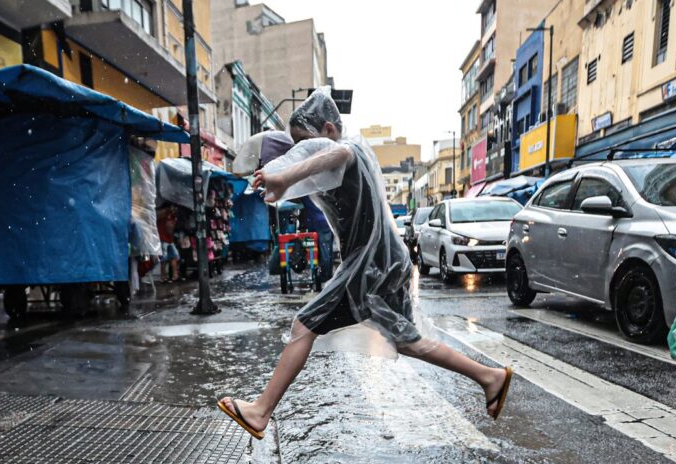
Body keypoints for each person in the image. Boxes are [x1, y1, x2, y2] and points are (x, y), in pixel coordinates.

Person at [217, 89, 513, 439]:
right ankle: (490, 377)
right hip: (381, 263)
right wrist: (281, 178)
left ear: (328, 129)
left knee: (304, 325)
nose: (303, 152)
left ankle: (260, 411)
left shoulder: (349, 149)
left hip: (370, 265)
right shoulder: (337, 161)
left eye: (307, 144)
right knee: (407, 340)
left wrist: (285, 177)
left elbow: (336, 153)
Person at [301, 195, 335, 282]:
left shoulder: (306, 192)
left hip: (317, 223)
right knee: (327, 251)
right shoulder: (320, 191)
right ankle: (327, 276)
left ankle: (324, 277)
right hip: (326, 222)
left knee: (322, 253)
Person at [156, 205, 180, 283]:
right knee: (164, 259)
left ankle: (174, 275)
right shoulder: (163, 212)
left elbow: (171, 227)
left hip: (169, 239)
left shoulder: (172, 215)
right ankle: (164, 276)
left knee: (173, 257)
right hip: (163, 238)